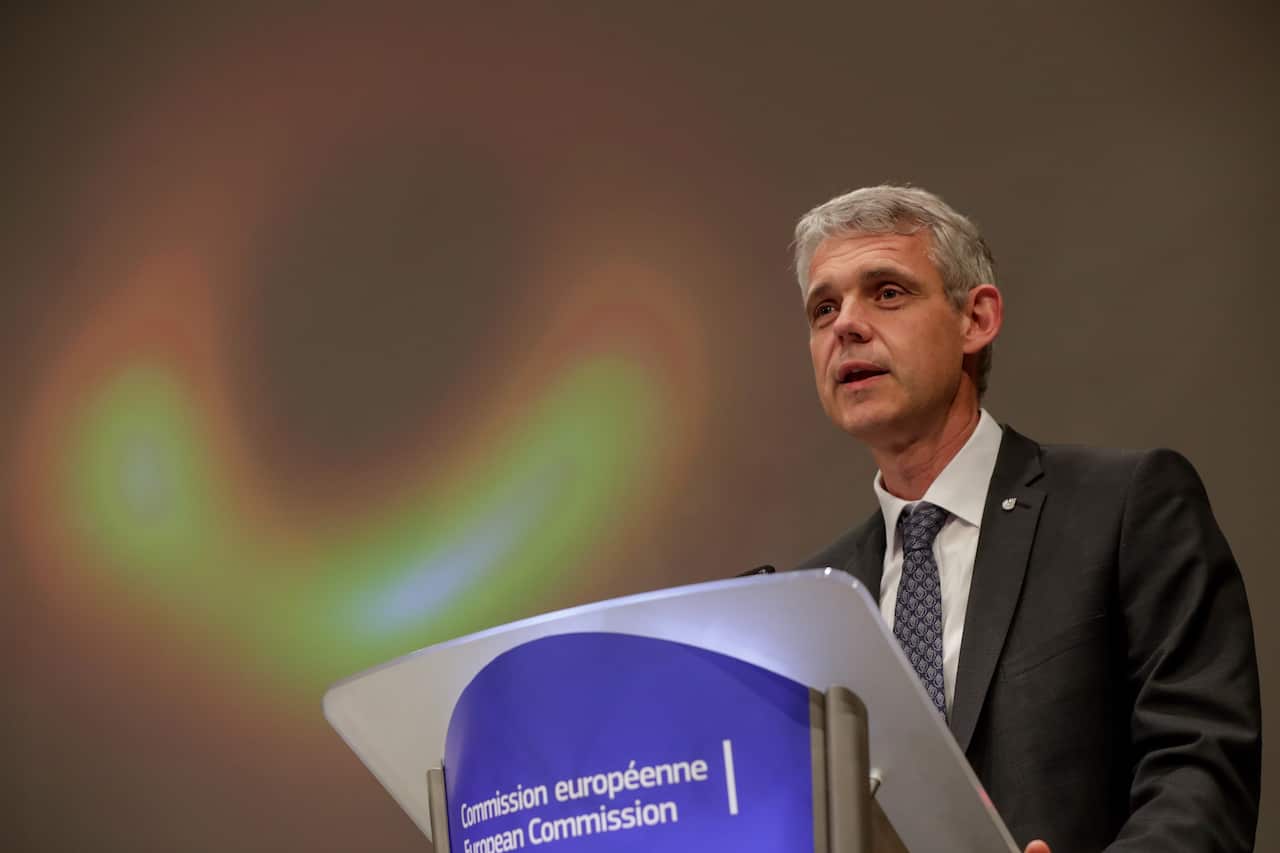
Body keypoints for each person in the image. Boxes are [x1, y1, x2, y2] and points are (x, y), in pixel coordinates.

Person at [793, 185, 1260, 852]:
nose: (846, 325)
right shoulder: (817, 598)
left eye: (887, 292)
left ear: (975, 319)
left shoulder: (1125, 507)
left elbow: (1203, 765)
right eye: (824, 307)